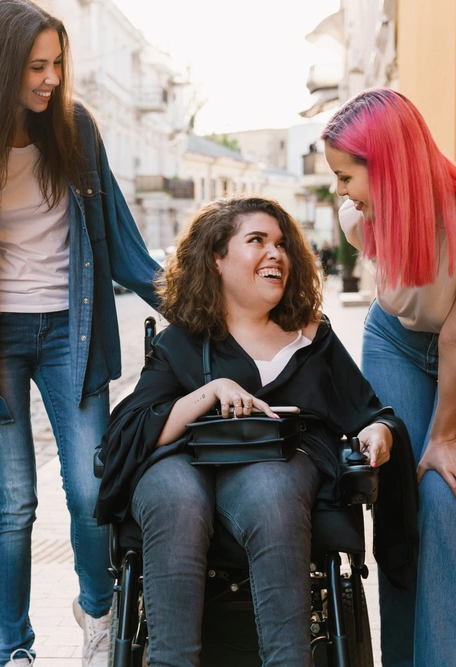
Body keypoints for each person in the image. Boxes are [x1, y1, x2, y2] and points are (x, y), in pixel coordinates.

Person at [0, 1, 161, 665]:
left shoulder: (77, 131)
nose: (50, 78)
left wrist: (208, 305)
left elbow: (126, 248)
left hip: (71, 332)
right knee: (13, 502)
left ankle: (96, 612)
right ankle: (13, 647)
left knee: (91, 488)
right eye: (36, 66)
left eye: (57, 64)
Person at [95, 196, 416, 667]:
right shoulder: (182, 341)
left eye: (282, 244)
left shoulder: (311, 339)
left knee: (270, 484)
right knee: (174, 494)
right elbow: (127, 436)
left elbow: (370, 412)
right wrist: (211, 391)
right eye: (257, 241)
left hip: (281, 470)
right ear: (217, 260)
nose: (276, 254)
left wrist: (379, 433)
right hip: (185, 468)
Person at [322, 88, 456, 667]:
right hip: (396, 343)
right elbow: (403, 309)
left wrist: (441, 439)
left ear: (386, 167)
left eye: (346, 176)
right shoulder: (359, 218)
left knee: (445, 492)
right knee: (399, 501)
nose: (340, 192)